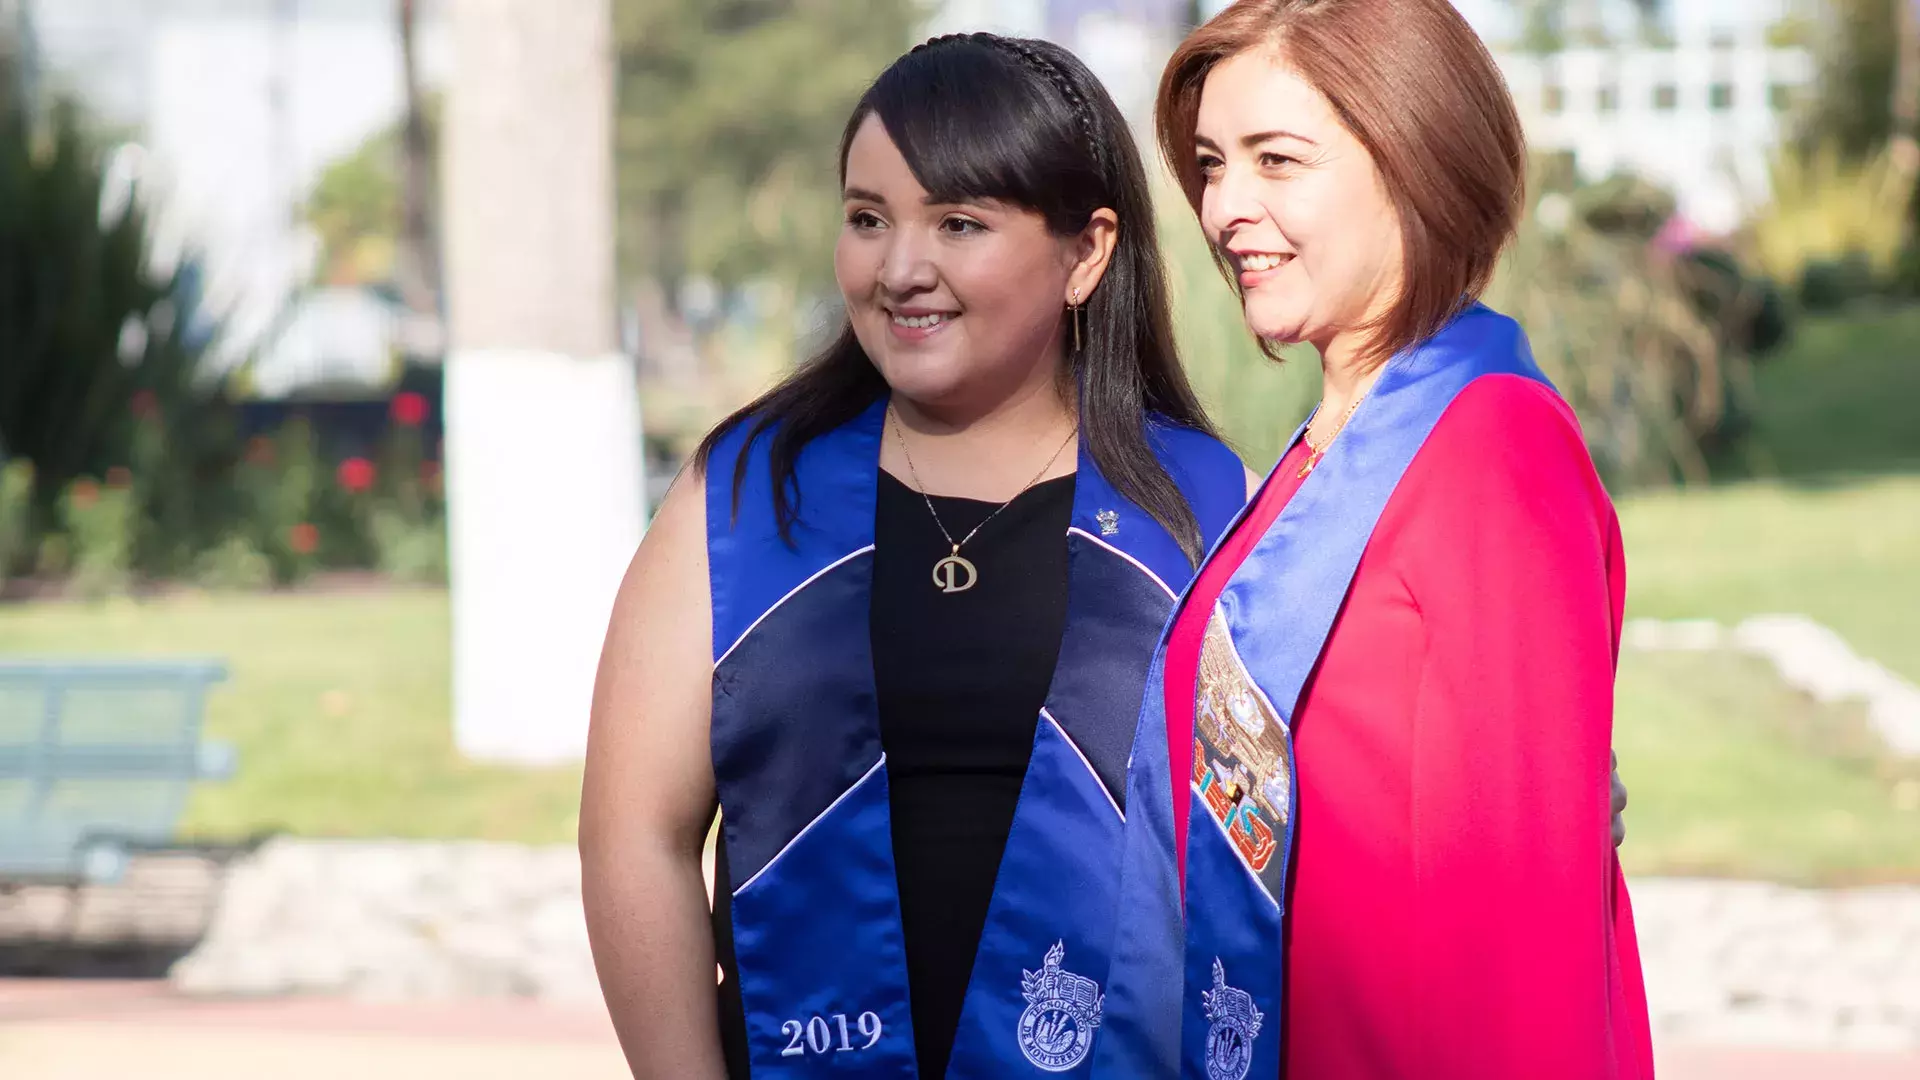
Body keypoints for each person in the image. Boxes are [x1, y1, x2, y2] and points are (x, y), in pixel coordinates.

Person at [579, 33, 1251, 1080]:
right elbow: (636, 836)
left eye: (960, 223)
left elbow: (1281, 828)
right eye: (867, 219)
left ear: (1087, 252)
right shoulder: (753, 495)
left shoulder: (1197, 509)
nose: (900, 268)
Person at [1094, 2, 1656, 1079]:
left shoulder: (1490, 448)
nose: (1225, 208)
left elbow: (1523, 927)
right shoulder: (1325, 460)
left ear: (1412, 158)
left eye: (1277, 160)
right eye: (1212, 164)